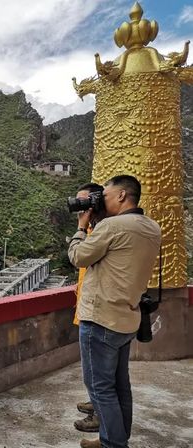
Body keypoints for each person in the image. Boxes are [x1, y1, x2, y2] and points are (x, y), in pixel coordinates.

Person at [68, 175, 161, 448]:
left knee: (100, 387)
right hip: (126, 318)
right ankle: (115, 437)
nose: (101, 201)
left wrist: (81, 227)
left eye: (105, 196)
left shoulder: (112, 226)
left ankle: (113, 444)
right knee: (120, 386)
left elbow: (78, 257)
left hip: (100, 319)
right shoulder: (151, 227)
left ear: (121, 196)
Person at [72, 183, 105, 434]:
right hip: (86, 305)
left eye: (84, 202)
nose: (80, 208)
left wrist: (81, 227)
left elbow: (79, 256)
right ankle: (95, 403)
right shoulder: (96, 228)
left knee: (98, 372)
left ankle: (99, 417)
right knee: (93, 368)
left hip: (98, 312)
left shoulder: (103, 230)